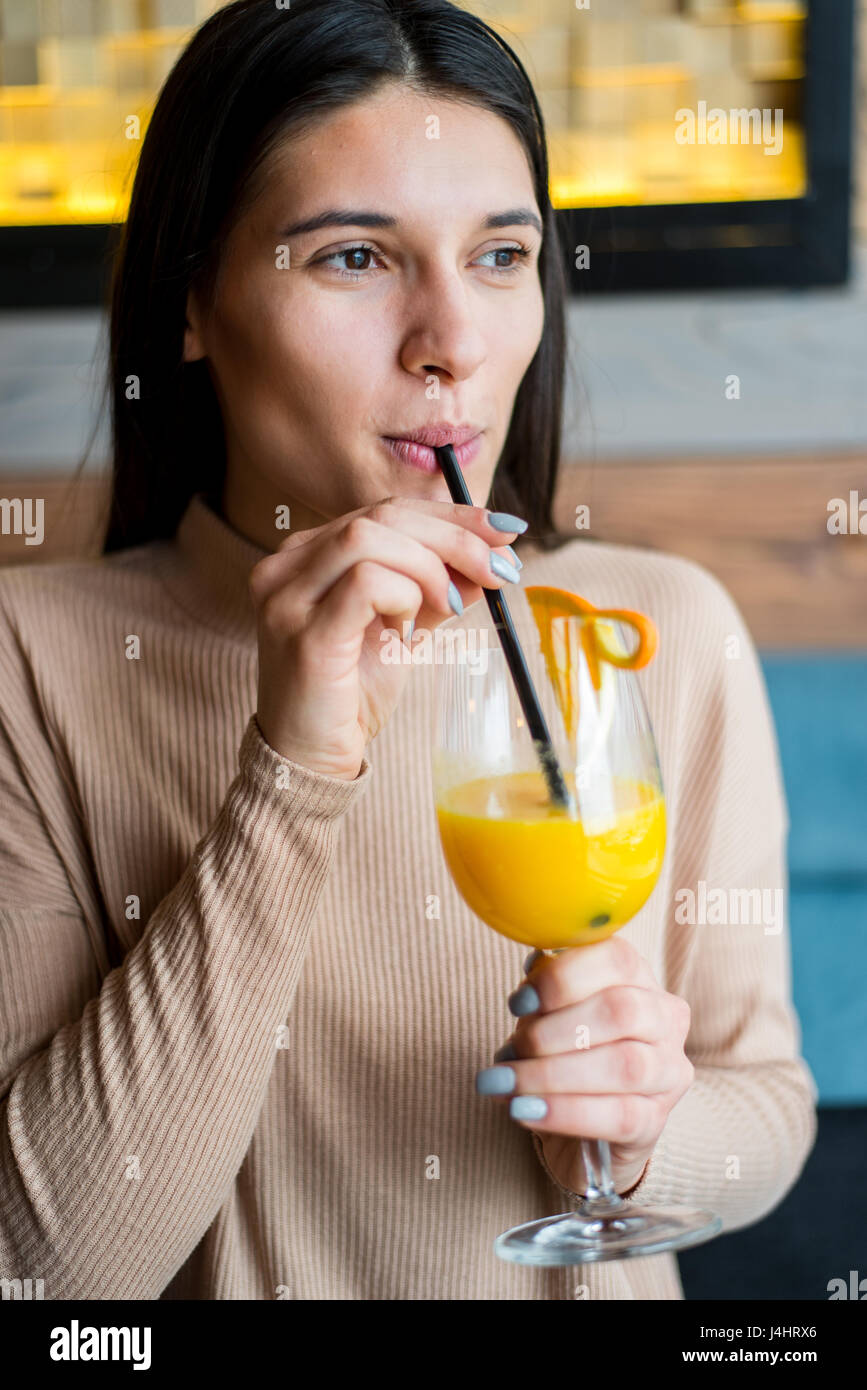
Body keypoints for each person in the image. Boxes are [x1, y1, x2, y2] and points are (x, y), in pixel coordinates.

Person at [0, 0, 816, 1300]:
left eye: (500, 255)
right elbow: (45, 1271)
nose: (455, 341)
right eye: (355, 259)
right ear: (195, 302)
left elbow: (766, 1100)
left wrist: (653, 1129)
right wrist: (290, 765)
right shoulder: (29, 663)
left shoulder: (657, 631)